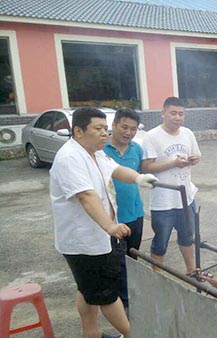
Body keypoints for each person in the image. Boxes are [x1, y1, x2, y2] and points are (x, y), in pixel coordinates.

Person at [50, 107, 157, 338]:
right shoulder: (70, 157)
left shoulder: (94, 152)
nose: (104, 134)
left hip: (97, 238)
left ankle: (90, 333)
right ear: (78, 131)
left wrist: (138, 177)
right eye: (98, 129)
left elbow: (117, 170)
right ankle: (133, 334)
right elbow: (86, 196)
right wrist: (110, 226)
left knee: (86, 287)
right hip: (84, 241)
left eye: (105, 129)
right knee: (107, 294)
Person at [142, 97, 201, 275]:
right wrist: (173, 163)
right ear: (163, 113)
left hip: (186, 197)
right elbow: (146, 167)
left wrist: (194, 159)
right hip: (163, 200)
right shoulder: (152, 136)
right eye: (173, 113)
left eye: (181, 114)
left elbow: (197, 156)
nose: (177, 117)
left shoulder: (187, 133)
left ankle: (191, 271)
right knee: (161, 241)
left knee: (187, 237)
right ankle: (156, 276)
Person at [103, 108, 144, 313]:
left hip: (136, 213)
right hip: (114, 218)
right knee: (116, 261)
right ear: (114, 125)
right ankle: (122, 302)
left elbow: (140, 174)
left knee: (132, 256)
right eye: (124, 127)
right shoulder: (101, 150)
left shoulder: (136, 149)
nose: (128, 132)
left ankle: (131, 295)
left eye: (133, 129)